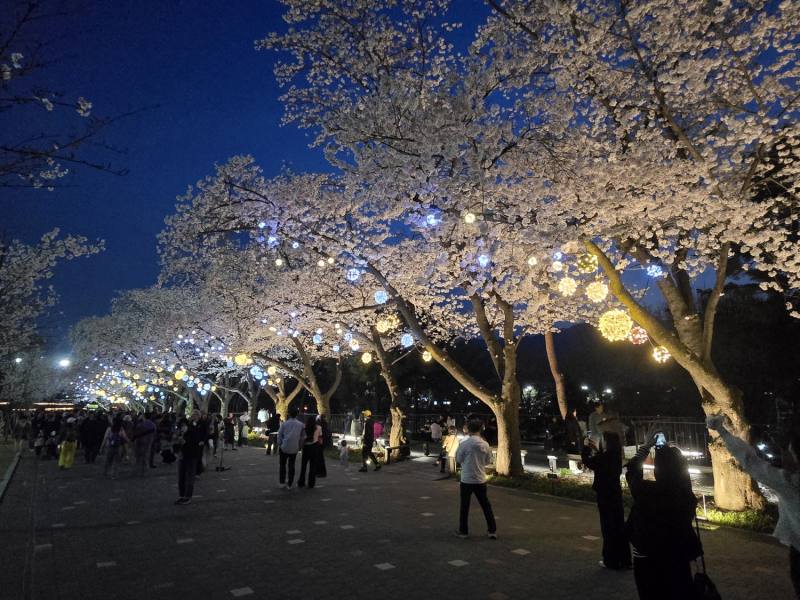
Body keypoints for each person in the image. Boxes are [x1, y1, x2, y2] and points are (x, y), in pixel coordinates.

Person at [708, 414, 800, 598]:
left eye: (789, 452)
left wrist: (721, 430)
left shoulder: (790, 484)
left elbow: (750, 461)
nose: (785, 456)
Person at [626, 432, 701, 599]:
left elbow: (631, 472)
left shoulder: (646, 491)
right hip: (677, 554)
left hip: (647, 554)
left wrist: (645, 448)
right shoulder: (685, 496)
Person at [581, 430, 631, 569]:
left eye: (603, 440)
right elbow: (601, 459)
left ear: (607, 442)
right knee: (619, 526)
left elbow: (588, 461)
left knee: (608, 527)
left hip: (605, 495)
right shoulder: (615, 456)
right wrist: (597, 450)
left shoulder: (605, 457)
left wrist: (585, 447)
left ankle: (611, 560)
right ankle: (625, 560)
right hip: (615, 494)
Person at [455, 418, 497, 539]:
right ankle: (492, 531)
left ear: (468, 430)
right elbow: (488, 461)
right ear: (480, 429)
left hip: (467, 479)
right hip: (480, 479)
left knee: (464, 506)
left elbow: (458, 459)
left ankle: (463, 531)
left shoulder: (464, 444)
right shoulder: (485, 444)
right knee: (486, 505)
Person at [175, 409, 207, 505]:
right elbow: (178, 436)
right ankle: (181, 495)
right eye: (192, 415)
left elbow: (198, 438)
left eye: (195, 415)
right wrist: (180, 437)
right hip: (183, 453)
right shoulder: (188, 425)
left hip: (192, 454)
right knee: (181, 476)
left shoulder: (197, 427)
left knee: (189, 476)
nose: (193, 416)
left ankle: (187, 496)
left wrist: (187, 439)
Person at [277, 407, 305, 489]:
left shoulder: (284, 424)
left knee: (282, 465)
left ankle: (282, 482)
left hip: (284, 446)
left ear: (289, 414)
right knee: (291, 465)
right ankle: (290, 483)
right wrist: (300, 446)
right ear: (297, 415)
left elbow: (279, 434)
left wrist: (280, 444)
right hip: (294, 447)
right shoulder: (301, 425)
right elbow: (302, 437)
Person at [298, 415, 322, 489]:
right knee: (313, 466)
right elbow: (320, 439)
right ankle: (311, 483)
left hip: (306, 447)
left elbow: (302, 437)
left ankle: (301, 482)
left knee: (303, 466)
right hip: (314, 447)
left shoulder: (305, 427)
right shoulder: (319, 427)